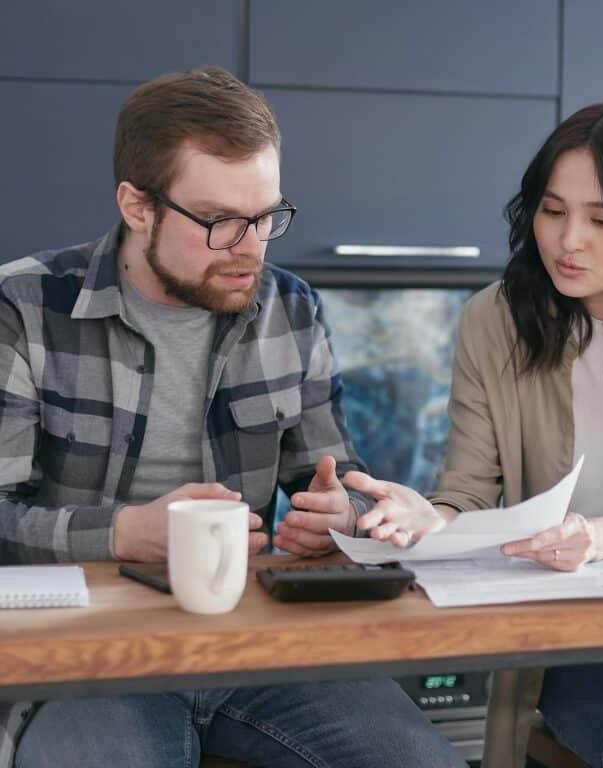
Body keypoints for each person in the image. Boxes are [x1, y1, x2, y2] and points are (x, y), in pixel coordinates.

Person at [0, 67, 467, 768]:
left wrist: (339, 516)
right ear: (137, 206)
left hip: (259, 642)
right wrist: (128, 532)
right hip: (85, 657)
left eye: (267, 217)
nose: (251, 247)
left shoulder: (291, 308)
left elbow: (334, 474)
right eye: (220, 221)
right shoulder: (25, 308)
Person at [345, 102, 603, 766]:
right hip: (576, 622)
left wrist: (599, 538)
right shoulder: (495, 320)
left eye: (602, 220)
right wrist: (431, 517)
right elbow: (468, 494)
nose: (569, 241)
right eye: (552, 211)